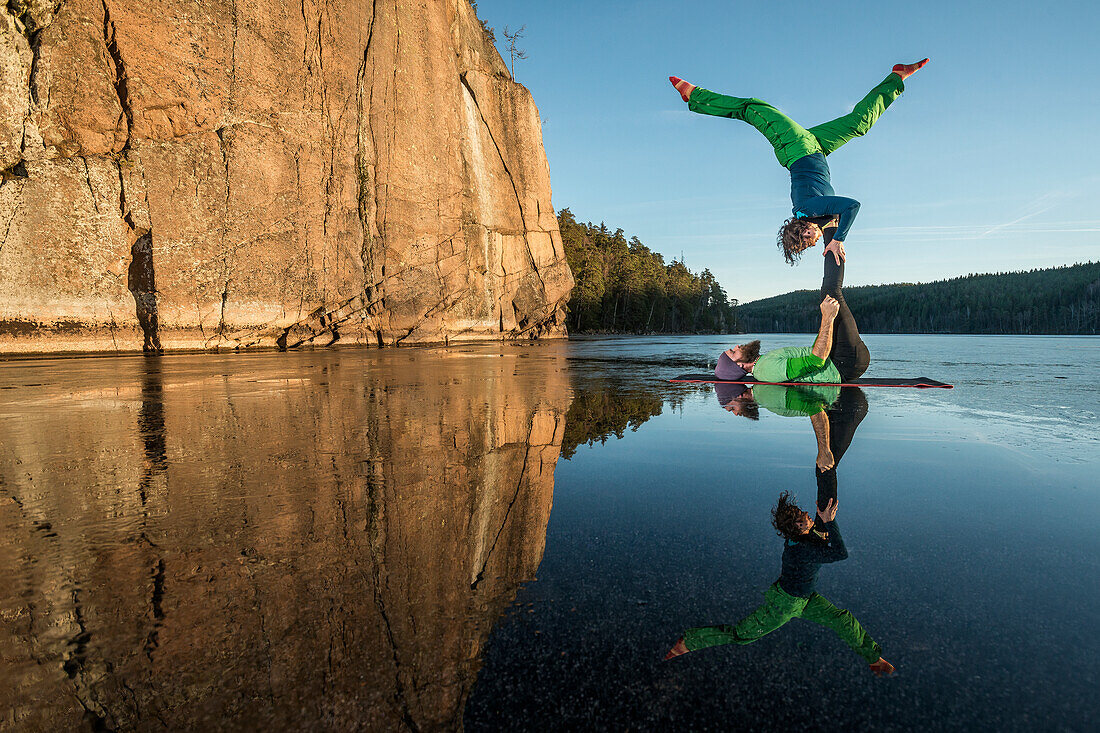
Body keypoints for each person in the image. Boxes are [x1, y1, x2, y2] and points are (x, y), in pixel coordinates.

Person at [669, 60, 928, 265]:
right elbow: (834, 222)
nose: (812, 242)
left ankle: (696, 97)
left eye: (806, 238)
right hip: (817, 148)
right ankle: (897, 77)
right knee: (860, 124)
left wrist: (838, 239)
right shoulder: (818, 216)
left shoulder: (810, 209)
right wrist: (834, 241)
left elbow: (853, 206)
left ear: (803, 226)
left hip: (794, 146)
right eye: (808, 243)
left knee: (754, 108)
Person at [665, 492, 894, 675]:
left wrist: (821, 518)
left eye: (802, 511)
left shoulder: (799, 537)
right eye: (803, 516)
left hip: (806, 600)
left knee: (843, 620)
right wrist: (830, 523)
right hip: (785, 604)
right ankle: (690, 641)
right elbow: (841, 553)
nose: (807, 513)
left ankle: (873, 658)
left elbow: (818, 537)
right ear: (798, 528)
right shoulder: (802, 549)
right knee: (742, 635)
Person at [716, 239, 869, 382]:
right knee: (830, 291)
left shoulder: (763, 364)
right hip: (844, 361)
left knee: (829, 293)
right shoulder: (767, 369)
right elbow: (815, 361)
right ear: (740, 366)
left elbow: (811, 355)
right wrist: (827, 318)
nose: (737, 346)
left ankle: (831, 232)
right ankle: (832, 232)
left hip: (840, 359)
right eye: (733, 351)